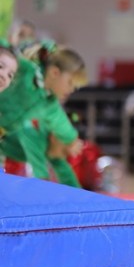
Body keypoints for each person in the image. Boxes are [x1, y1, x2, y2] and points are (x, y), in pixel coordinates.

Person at [0, 44, 87, 186]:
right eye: (70, 83)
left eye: (75, 87)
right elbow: (6, 53)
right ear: (54, 73)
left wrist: (72, 139)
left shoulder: (49, 103)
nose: (71, 90)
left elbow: (60, 122)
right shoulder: (27, 70)